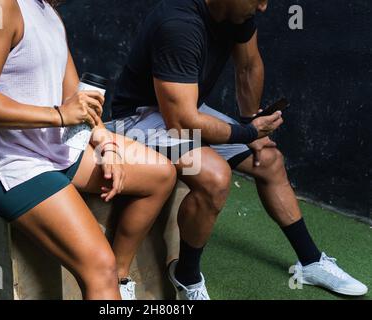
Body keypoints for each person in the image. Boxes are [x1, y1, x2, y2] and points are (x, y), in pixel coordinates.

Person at [107, 0, 368, 299]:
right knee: (214, 177)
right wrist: (248, 133)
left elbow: (248, 66)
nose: (263, 7)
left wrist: (250, 123)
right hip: (139, 119)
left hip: (186, 109)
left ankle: (309, 262)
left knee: (268, 159)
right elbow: (180, 123)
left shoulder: (237, 13)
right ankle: (188, 278)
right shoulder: (178, 24)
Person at [0, 0, 176, 300]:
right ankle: (108, 278)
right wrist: (58, 115)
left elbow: (75, 95)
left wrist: (104, 141)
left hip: (59, 148)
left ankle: (121, 280)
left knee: (160, 175)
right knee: (99, 268)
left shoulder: (49, 12)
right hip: (13, 165)